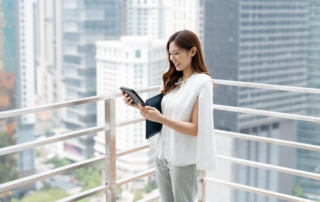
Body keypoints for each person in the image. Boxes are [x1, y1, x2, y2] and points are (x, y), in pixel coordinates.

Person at [121, 30, 217, 202]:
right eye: (170, 54)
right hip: (163, 156)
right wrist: (138, 106)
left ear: (192, 52)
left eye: (177, 53)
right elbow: (162, 113)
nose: (172, 58)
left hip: (183, 161)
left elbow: (196, 129)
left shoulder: (202, 83)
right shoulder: (173, 80)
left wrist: (161, 119)